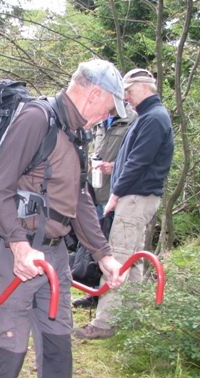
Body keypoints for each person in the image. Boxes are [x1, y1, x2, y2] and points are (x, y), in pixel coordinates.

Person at [0, 59, 128, 378]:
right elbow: (0, 189)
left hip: (54, 254)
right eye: (109, 106)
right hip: (14, 251)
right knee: (7, 342)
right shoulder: (35, 119)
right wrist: (19, 246)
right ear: (93, 92)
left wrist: (103, 254)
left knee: (58, 342)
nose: (108, 115)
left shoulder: (77, 132)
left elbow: (79, 199)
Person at [74, 68, 174, 340]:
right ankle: (130, 316)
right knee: (134, 258)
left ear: (144, 88)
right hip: (138, 195)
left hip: (134, 197)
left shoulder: (153, 118)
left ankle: (104, 323)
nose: (126, 98)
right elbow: (138, 158)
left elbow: (139, 163)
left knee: (117, 257)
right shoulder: (149, 117)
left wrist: (115, 195)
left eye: (128, 92)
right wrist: (113, 169)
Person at [72, 104, 136, 309]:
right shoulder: (100, 122)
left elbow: (139, 159)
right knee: (95, 246)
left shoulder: (133, 121)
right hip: (94, 193)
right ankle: (94, 294)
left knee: (114, 248)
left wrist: (114, 167)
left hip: (118, 195)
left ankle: (116, 304)